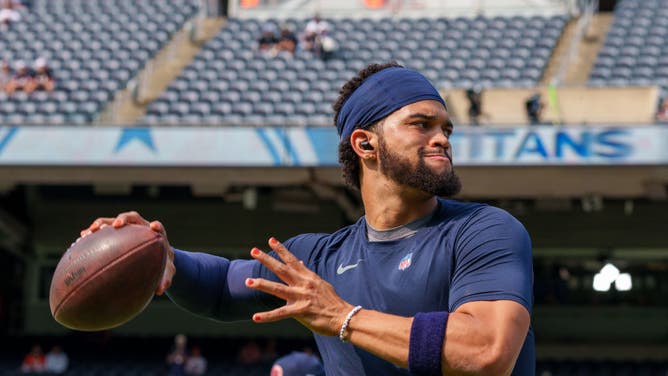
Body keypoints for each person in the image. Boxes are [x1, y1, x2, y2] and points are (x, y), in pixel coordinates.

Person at [83, 62, 534, 375]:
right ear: (365, 144)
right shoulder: (317, 258)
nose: (442, 139)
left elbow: (486, 351)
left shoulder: (484, 230)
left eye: (445, 129)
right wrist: (164, 258)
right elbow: (223, 287)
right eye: (422, 125)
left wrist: (340, 316)